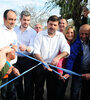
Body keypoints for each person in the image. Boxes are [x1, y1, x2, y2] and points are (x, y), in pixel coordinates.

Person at [34, 15, 70, 100]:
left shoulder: (60, 36)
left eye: (55, 25)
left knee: (52, 90)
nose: (52, 27)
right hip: (40, 64)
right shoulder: (40, 35)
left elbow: (66, 50)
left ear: (57, 26)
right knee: (38, 89)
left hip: (53, 66)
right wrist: (43, 62)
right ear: (47, 23)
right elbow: (36, 52)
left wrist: (58, 57)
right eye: (50, 24)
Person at [14, 10, 37, 100]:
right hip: (16, 60)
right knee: (17, 82)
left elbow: (33, 47)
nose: (26, 22)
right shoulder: (14, 30)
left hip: (28, 60)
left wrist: (27, 48)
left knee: (28, 83)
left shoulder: (33, 32)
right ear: (20, 19)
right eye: (24, 20)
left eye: (28, 20)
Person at [56, 25, 83, 100]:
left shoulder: (76, 42)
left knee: (68, 88)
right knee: (59, 89)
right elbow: (60, 59)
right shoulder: (63, 42)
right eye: (67, 33)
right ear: (64, 33)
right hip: (62, 68)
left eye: (71, 32)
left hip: (72, 68)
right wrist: (60, 71)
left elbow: (71, 58)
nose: (70, 34)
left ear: (75, 33)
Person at [0, 9, 18, 100]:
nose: (13, 22)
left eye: (15, 19)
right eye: (10, 19)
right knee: (3, 95)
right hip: (3, 69)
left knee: (12, 94)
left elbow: (13, 49)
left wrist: (13, 67)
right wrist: (8, 66)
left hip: (12, 68)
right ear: (4, 19)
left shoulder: (14, 33)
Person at [70, 24, 90, 100]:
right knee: (75, 91)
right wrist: (68, 73)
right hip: (77, 72)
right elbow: (71, 59)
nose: (84, 36)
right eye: (81, 34)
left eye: (86, 34)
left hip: (88, 72)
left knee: (86, 92)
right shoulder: (76, 42)